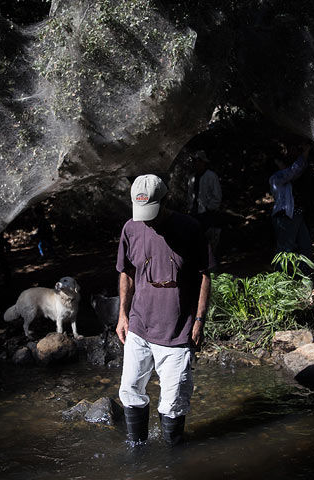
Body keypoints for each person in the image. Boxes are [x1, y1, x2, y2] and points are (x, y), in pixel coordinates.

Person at [116, 174, 213, 446]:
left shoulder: (190, 228)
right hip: (138, 327)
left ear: (166, 201)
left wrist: (199, 320)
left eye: (152, 213)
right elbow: (127, 272)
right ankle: (138, 454)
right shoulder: (131, 228)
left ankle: (173, 459)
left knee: (173, 403)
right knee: (130, 390)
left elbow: (205, 275)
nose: (147, 220)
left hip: (177, 332)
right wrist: (123, 314)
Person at [269, 143, 312, 258]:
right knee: (285, 249)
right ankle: (281, 274)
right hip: (285, 216)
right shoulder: (276, 178)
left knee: (305, 245)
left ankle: (305, 273)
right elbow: (293, 171)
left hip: (296, 214)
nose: (284, 164)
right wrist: (306, 151)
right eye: (281, 162)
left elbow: (296, 171)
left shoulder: (286, 177)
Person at [187, 150, 222, 254]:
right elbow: (189, 195)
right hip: (194, 213)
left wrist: (209, 208)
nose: (196, 164)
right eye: (195, 161)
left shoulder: (211, 176)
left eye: (199, 161)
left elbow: (217, 195)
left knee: (210, 240)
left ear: (203, 162)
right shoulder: (192, 177)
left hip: (207, 214)